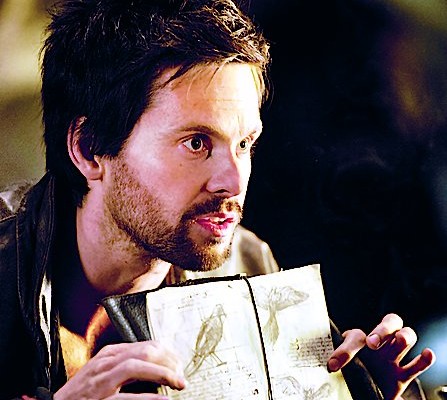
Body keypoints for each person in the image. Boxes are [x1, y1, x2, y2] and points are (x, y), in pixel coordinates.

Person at [0, 0, 434, 399]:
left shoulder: (247, 262)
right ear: (90, 148)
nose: (233, 181)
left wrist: (362, 392)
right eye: (196, 143)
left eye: (244, 144)